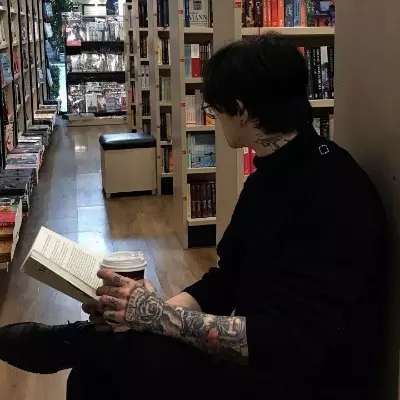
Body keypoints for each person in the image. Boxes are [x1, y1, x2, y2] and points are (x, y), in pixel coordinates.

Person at [0, 33, 386, 400]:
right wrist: (148, 311)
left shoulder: (334, 193)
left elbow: (292, 341)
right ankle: (77, 342)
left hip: (304, 380)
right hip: (263, 359)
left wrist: (159, 317)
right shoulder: (272, 175)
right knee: (102, 362)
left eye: (215, 109)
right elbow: (227, 280)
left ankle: (70, 342)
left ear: (242, 112)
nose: (213, 118)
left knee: (105, 362)